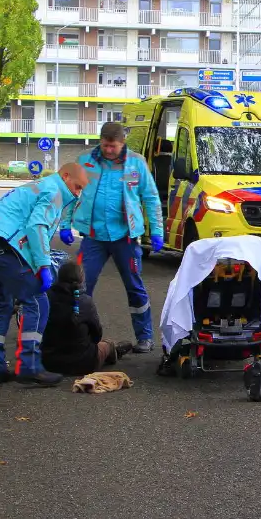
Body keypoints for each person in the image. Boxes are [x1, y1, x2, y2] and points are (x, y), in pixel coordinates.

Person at [0, 162, 88, 387]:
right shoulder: (54, 191)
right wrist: (43, 266)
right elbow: (37, 227)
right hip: (3, 244)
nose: (77, 192)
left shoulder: (39, 186)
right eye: (77, 186)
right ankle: (29, 366)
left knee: (0, 304)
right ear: (65, 175)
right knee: (37, 301)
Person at [59, 122, 164, 353]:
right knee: (80, 286)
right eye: (105, 145)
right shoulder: (85, 161)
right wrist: (64, 225)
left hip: (125, 237)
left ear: (122, 143)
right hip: (94, 237)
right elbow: (70, 193)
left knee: (135, 287)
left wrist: (156, 231)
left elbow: (151, 198)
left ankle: (145, 337)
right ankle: (76, 336)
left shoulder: (136, 163)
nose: (108, 150)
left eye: (113, 146)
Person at [42, 260, 133, 376]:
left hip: (49, 362)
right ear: (81, 279)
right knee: (107, 344)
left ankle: (111, 351)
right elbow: (96, 336)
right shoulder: (86, 302)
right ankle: (113, 350)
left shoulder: (45, 299)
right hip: (83, 363)